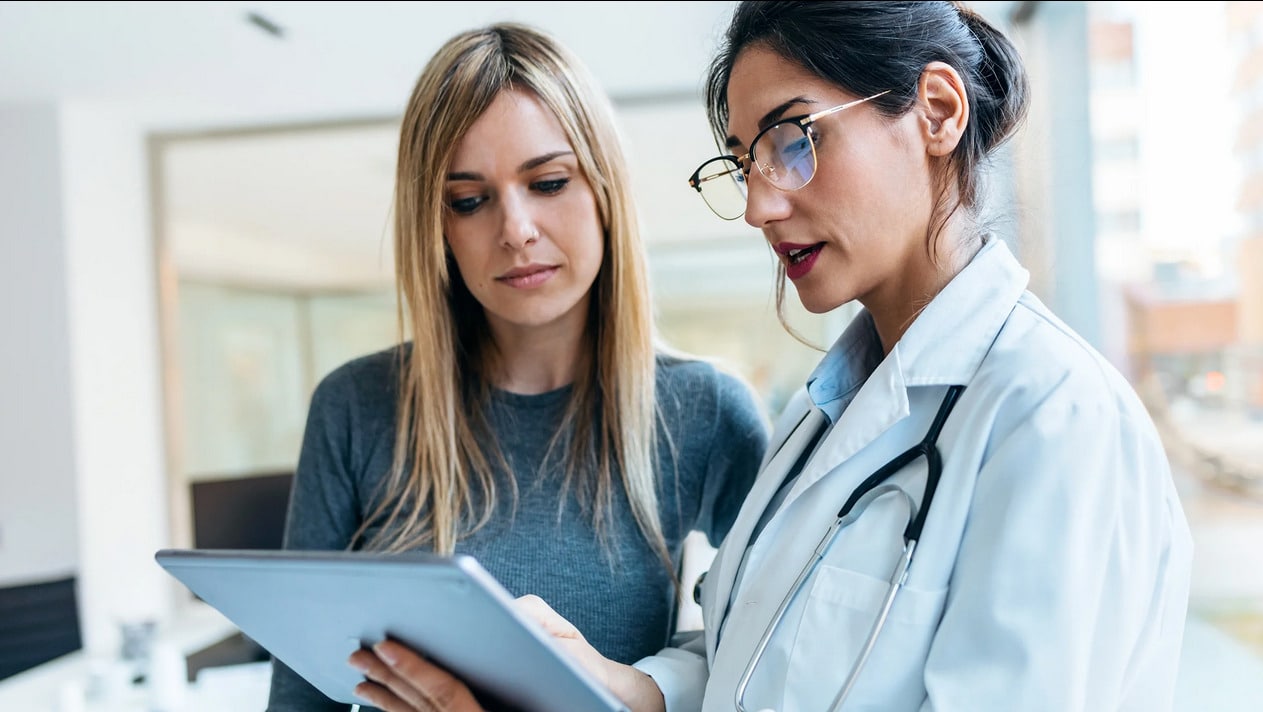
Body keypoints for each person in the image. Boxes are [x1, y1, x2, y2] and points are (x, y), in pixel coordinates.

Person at [346, 2, 1195, 712]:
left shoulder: (1050, 418)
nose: (757, 204)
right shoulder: (820, 419)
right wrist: (604, 685)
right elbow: (741, 665)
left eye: (793, 139)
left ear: (936, 111)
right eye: (745, 159)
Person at [265, 20, 771, 712]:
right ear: (436, 227)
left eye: (549, 181)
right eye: (469, 200)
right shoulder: (357, 407)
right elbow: (300, 699)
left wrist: (650, 691)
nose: (515, 230)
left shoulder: (702, 412)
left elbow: (774, 661)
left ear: (602, 190)